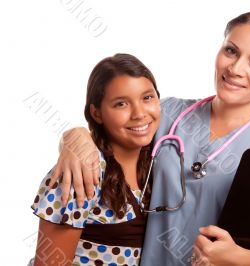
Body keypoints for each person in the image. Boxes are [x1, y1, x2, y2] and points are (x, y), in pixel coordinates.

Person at [51, 9, 250, 266]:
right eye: (231, 51)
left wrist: (238, 258)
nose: (235, 69)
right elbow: (114, 126)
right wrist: (74, 137)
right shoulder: (169, 114)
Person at [30, 53, 161, 265]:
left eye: (147, 97)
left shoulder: (156, 161)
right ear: (97, 113)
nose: (139, 114)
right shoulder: (83, 170)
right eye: (121, 104)